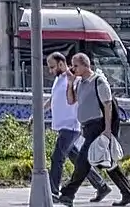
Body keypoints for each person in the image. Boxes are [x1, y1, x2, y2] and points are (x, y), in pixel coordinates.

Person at [58, 52, 130, 207]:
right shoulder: (80, 83)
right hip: (87, 127)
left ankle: (68, 194)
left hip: (98, 126)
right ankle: (128, 194)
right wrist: (70, 84)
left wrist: (107, 130)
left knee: (83, 160)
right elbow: (71, 100)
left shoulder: (99, 81)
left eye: (76, 65)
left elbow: (108, 106)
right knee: (106, 162)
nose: (73, 69)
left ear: (85, 65)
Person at [47, 51, 83, 200]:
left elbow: (75, 99)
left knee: (57, 158)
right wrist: (39, 110)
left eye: (52, 67)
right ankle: (101, 185)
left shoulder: (72, 79)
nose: (50, 70)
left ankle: (53, 191)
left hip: (71, 125)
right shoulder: (58, 79)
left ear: (61, 64)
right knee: (77, 159)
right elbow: (53, 99)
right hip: (63, 125)